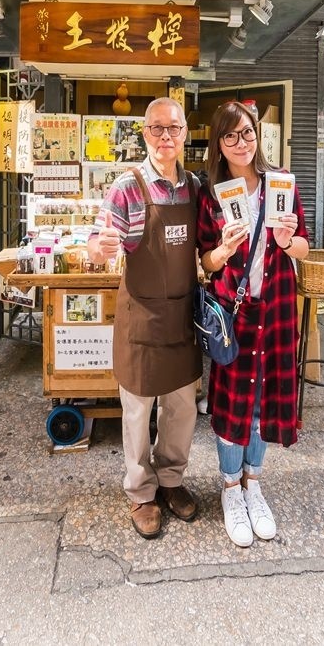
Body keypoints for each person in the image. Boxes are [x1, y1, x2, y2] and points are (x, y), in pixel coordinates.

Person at [196, 101, 309, 547]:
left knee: (263, 401)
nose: (240, 143)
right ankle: (229, 489)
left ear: (257, 136)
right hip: (235, 312)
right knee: (231, 402)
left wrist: (288, 240)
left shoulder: (280, 183)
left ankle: (254, 485)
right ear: (217, 143)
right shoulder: (212, 194)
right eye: (230, 136)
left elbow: (303, 248)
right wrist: (223, 250)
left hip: (277, 307)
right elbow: (205, 262)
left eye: (247, 134)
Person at [87, 97, 202, 539]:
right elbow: (99, 243)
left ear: (185, 133)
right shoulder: (127, 186)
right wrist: (102, 248)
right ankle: (140, 492)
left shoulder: (194, 187)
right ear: (144, 134)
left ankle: (171, 479)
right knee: (137, 411)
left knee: (182, 408)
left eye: (173, 128)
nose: (165, 137)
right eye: (157, 129)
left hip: (181, 317)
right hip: (141, 317)